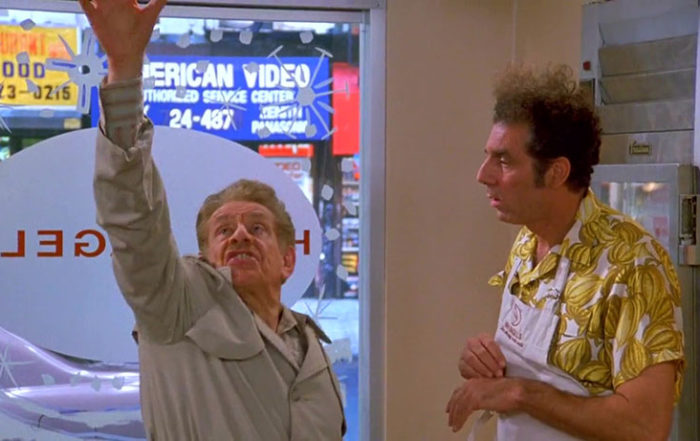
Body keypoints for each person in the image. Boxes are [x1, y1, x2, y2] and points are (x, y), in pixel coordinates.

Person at [79, 0, 346, 439]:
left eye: (257, 228)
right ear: (205, 257)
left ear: (288, 260)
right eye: (224, 230)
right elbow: (133, 219)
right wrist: (125, 72)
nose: (240, 234)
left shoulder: (308, 344)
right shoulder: (176, 308)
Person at [445, 64, 684, 441]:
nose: (483, 174)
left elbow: (645, 427)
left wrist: (520, 393)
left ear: (556, 173)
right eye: (487, 156)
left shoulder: (633, 265)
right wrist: (487, 363)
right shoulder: (525, 243)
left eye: (504, 161)